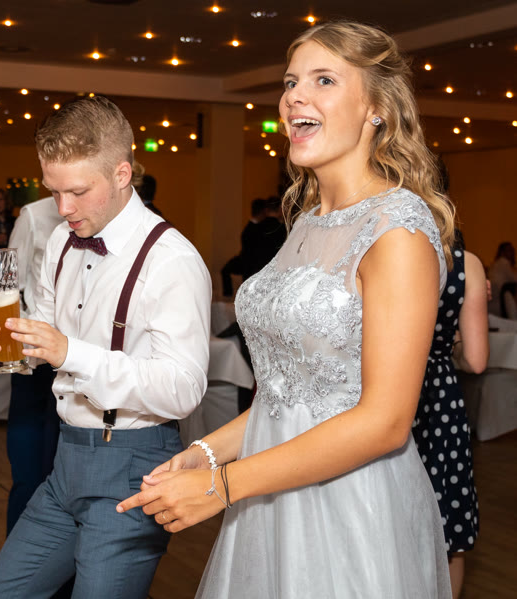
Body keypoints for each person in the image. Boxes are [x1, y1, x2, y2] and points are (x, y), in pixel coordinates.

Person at [117, 21, 456, 598]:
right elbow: (289, 396)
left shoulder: (397, 229)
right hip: (271, 492)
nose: (295, 96)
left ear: (377, 108)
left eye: (323, 80)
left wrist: (225, 485)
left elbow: (386, 421)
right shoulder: (307, 222)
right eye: (291, 82)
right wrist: (205, 454)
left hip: (349, 508)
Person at [0, 96, 211, 598]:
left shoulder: (171, 260)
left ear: (122, 174)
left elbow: (183, 388)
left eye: (78, 192)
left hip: (134, 467)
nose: (63, 209)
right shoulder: (61, 241)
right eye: (53, 191)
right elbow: (44, 331)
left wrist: (70, 354)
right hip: (66, 460)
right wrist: (13, 345)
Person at [413, 234, 487, 599]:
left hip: (383, 386)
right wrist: (452, 342)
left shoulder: (376, 245)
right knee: (449, 529)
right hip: (440, 401)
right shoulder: (465, 264)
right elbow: (476, 361)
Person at [4, 195, 64, 534]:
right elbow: (7, 287)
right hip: (35, 363)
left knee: (64, 474)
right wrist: (14, 356)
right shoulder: (33, 215)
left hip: (81, 362)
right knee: (28, 471)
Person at [219, 198, 266, 298]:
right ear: (263, 211)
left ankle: (228, 296)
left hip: (251, 262)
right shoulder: (254, 229)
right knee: (226, 270)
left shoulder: (252, 228)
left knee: (226, 270)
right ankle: (228, 296)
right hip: (250, 262)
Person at [488, 241, 516, 317]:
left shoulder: (496, 263)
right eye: (509, 250)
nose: (512, 253)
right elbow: (514, 279)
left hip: (495, 298)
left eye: (512, 250)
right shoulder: (504, 262)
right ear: (502, 252)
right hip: (500, 296)